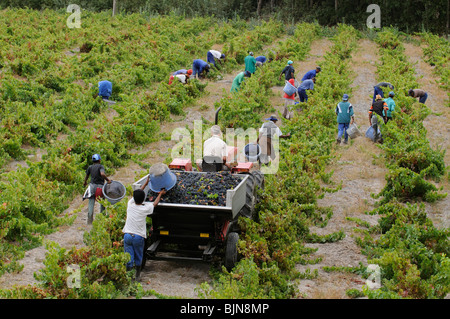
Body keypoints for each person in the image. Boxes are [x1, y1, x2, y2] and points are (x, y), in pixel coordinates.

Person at [122, 176, 166, 281]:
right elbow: (155, 204)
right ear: (143, 199)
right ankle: (137, 276)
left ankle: (128, 277)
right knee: (138, 256)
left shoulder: (130, 205)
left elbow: (137, 194)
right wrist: (160, 194)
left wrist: (145, 184)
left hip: (127, 235)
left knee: (128, 257)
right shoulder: (145, 208)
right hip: (138, 237)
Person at [83, 154, 111, 224]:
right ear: (99, 160)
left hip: (92, 186)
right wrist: (108, 180)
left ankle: (89, 221)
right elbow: (102, 174)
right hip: (100, 187)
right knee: (102, 203)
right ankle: (102, 220)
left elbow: (86, 176)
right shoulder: (101, 166)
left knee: (91, 203)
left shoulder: (90, 167)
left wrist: (85, 182)